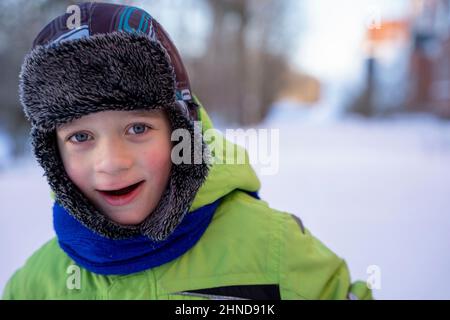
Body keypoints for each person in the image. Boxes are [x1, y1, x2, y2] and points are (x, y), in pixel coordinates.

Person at [2, 2, 372, 300]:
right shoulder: (35, 286)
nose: (112, 162)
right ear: (53, 156)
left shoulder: (273, 250)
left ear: (182, 133)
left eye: (137, 128)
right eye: (81, 137)